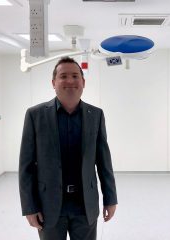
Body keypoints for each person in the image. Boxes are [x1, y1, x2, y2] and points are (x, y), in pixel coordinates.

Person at [19, 57, 118, 240]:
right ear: (53, 83)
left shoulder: (95, 115)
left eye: (75, 76)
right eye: (63, 76)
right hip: (48, 206)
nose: (70, 81)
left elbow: (104, 162)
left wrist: (110, 199)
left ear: (83, 82)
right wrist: (29, 207)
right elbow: (26, 166)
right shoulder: (35, 115)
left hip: (85, 205)